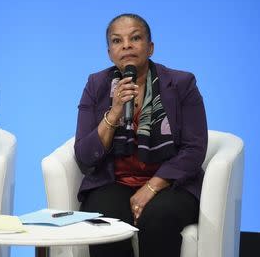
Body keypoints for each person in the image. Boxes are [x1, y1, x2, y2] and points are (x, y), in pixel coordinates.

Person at [75, 13, 207, 257]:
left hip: (170, 184)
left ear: (150, 48)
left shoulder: (181, 84)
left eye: (135, 38)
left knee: (158, 217)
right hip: (114, 181)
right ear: (109, 53)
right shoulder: (96, 85)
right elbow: (84, 156)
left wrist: (151, 187)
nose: (126, 45)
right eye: (117, 40)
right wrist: (114, 112)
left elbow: (194, 149)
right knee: (105, 221)